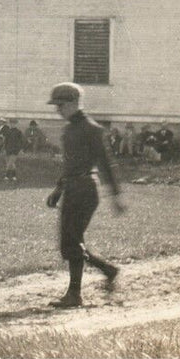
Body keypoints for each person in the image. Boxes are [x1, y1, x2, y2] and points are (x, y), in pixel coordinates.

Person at [45, 82, 124, 308]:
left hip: (86, 190)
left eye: (60, 105)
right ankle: (108, 271)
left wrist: (116, 196)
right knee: (70, 241)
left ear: (72, 103)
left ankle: (75, 294)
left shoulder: (92, 129)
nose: (57, 110)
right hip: (72, 189)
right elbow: (70, 165)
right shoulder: (69, 129)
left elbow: (106, 164)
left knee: (72, 241)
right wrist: (59, 190)